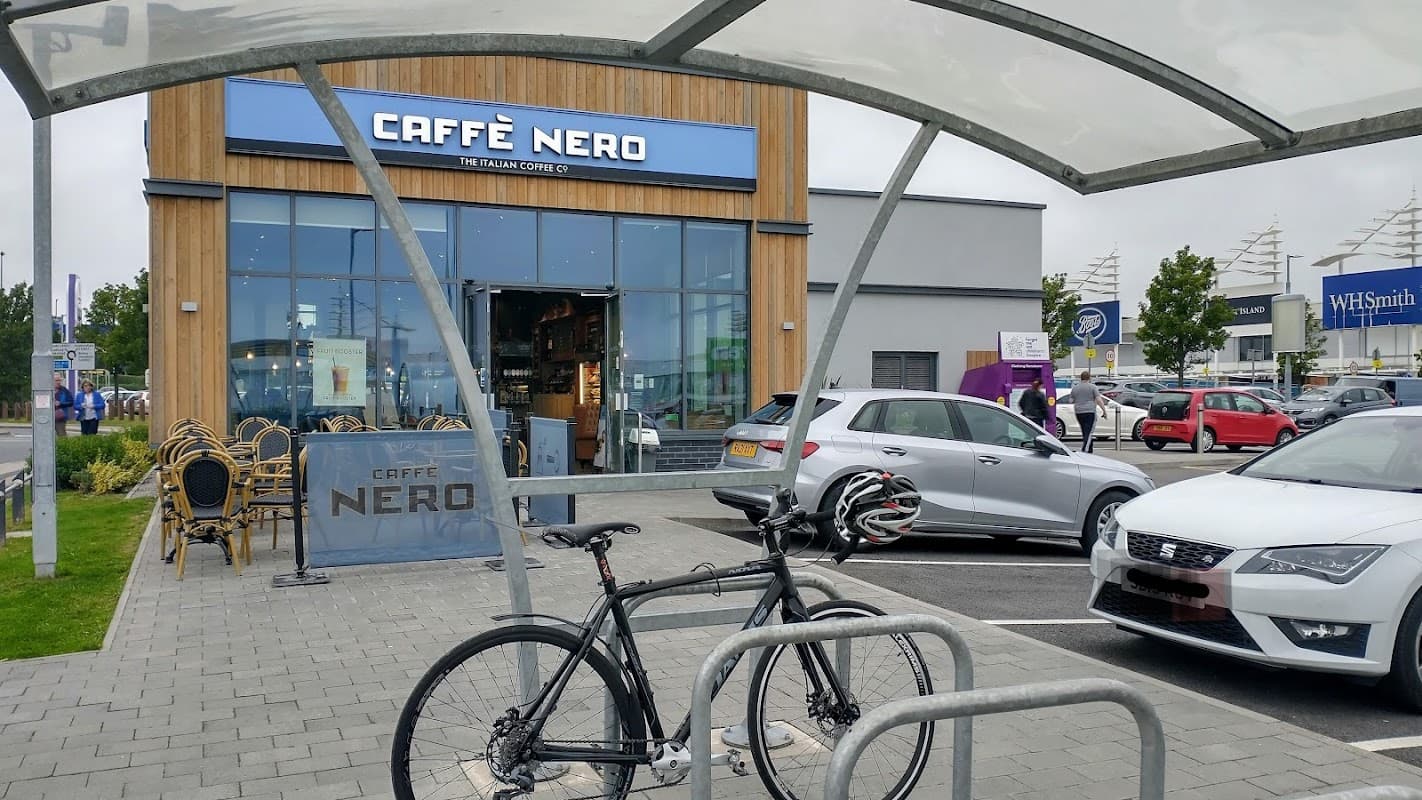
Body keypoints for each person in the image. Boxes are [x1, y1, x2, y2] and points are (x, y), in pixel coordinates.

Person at [1069, 371, 1107, 453]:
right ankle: (1085, 450)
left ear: (1081, 378)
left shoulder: (1075, 388)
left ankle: (1090, 449)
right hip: (1090, 411)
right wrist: (1104, 411)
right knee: (1089, 432)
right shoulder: (1092, 387)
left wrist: (1079, 398)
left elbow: (1071, 400)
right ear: (1089, 378)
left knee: (1084, 431)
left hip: (1078, 412)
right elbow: (1098, 399)